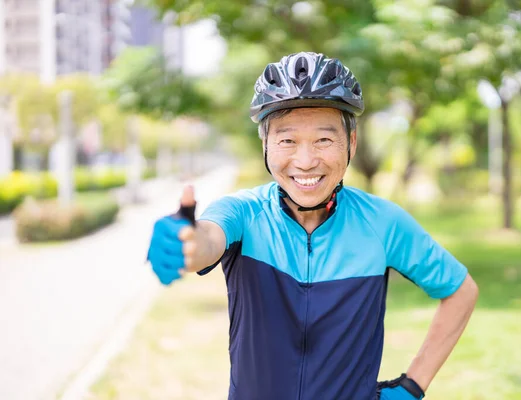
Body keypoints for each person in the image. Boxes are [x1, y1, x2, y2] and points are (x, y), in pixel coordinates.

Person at [147, 52, 479, 400]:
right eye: (287, 140)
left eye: (323, 139)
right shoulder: (243, 212)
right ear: (265, 145)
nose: (305, 162)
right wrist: (186, 240)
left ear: (350, 143)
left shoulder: (383, 223)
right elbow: (208, 238)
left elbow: (460, 290)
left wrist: (412, 386)